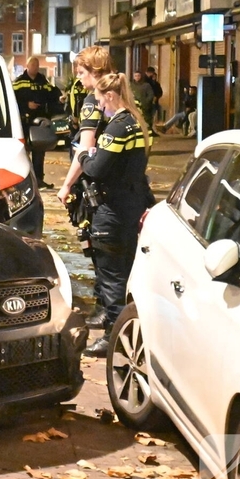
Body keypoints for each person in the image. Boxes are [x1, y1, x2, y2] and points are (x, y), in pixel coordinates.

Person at [75, 73, 155, 357]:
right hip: (133, 204)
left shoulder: (117, 128)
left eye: (100, 101)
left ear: (110, 96)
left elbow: (96, 169)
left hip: (112, 210)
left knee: (112, 277)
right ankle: (129, 330)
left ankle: (114, 337)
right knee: (127, 270)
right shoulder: (138, 123)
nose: (100, 108)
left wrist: (84, 154)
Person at [57, 45, 113, 329]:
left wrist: (66, 185)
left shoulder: (93, 101)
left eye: (81, 72)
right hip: (120, 185)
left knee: (96, 245)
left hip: (96, 186)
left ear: (96, 71)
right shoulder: (121, 98)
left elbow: (86, 147)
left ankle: (105, 309)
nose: (78, 78)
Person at [13, 57, 62, 189]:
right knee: (23, 151)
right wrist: (26, 105)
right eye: (33, 65)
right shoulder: (19, 82)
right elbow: (12, 100)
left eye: (37, 65)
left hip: (39, 121)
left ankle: (39, 180)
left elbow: (52, 92)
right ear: (27, 66)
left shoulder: (42, 81)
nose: (36, 67)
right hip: (24, 122)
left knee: (39, 151)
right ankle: (24, 180)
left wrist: (60, 97)